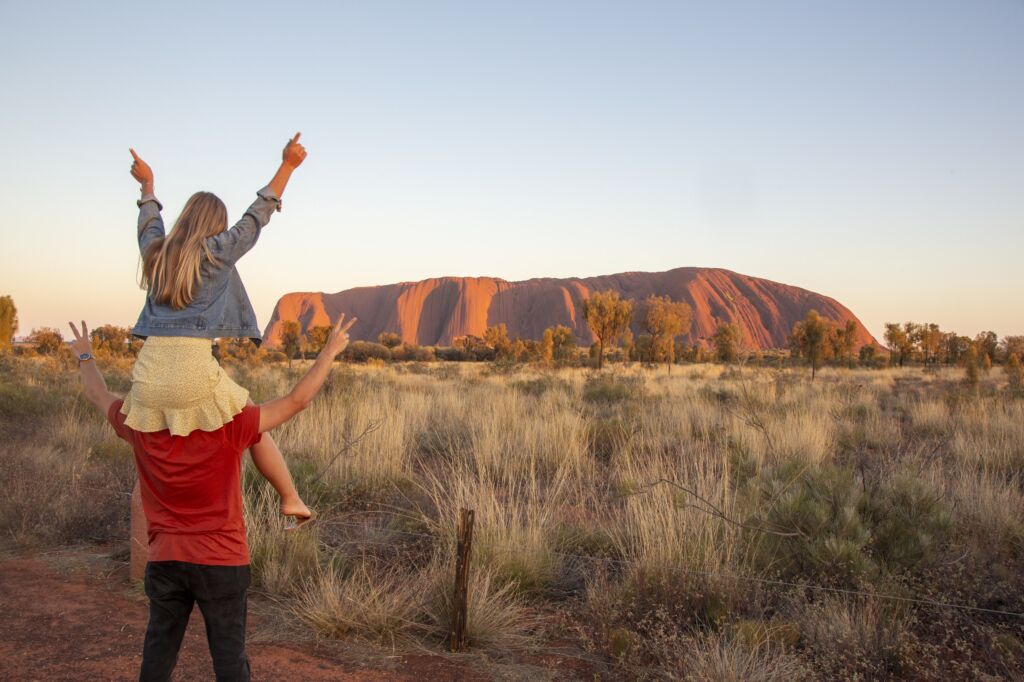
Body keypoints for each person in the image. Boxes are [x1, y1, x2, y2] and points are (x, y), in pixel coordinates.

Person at [69, 313, 357, 682]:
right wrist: (330, 351)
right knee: (229, 660)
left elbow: (97, 393)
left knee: (157, 657)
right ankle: (292, 497)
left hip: (165, 560)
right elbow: (297, 401)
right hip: (222, 561)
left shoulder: (135, 425)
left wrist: (85, 356)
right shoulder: (231, 426)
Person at [125, 135, 311, 525]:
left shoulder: (156, 254)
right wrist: (288, 166)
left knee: (163, 441)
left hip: (147, 373)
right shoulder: (217, 251)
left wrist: (147, 186)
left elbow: (149, 225)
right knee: (254, 427)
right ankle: (290, 497)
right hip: (191, 367)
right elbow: (256, 217)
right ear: (215, 226)